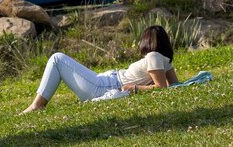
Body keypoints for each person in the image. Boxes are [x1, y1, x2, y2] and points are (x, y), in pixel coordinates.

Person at [22, 25, 178, 113]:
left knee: (57, 58)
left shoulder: (153, 56)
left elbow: (161, 87)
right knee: (58, 60)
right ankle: (37, 105)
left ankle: (37, 105)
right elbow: (175, 86)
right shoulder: (164, 60)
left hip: (103, 86)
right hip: (104, 81)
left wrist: (135, 88)